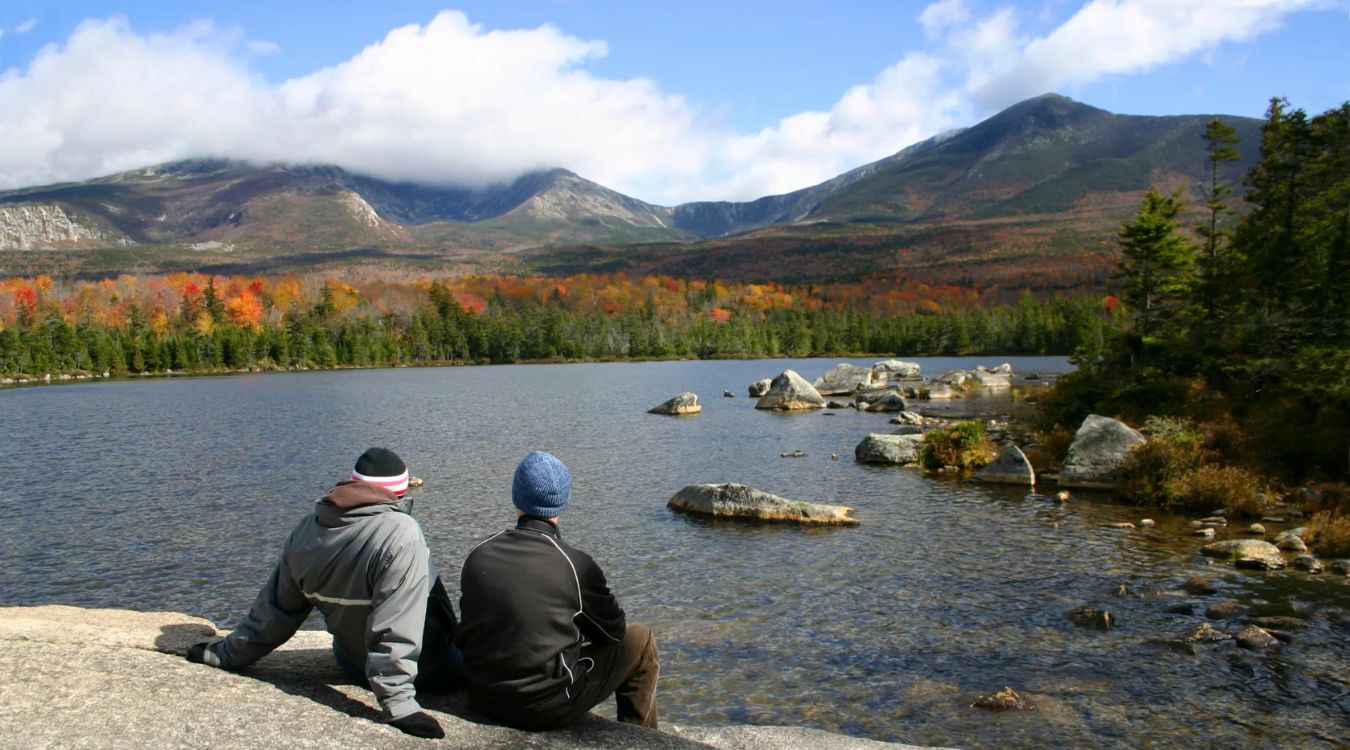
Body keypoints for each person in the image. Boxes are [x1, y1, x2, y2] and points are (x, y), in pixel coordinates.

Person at [185, 447, 462, 739]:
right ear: (399, 494)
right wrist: (400, 704)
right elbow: (397, 624)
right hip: (431, 672)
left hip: (352, 663)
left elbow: (276, 611)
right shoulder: (400, 532)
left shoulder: (307, 528)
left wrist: (225, 654)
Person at [455, 450, 659, 730]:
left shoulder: (478, 554)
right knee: (642, 640)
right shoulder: (575, 565)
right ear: (562, 502)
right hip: (546, 708)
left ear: (517, 498)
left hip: (482, 697)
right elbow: (614, 632)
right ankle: (641, 739)